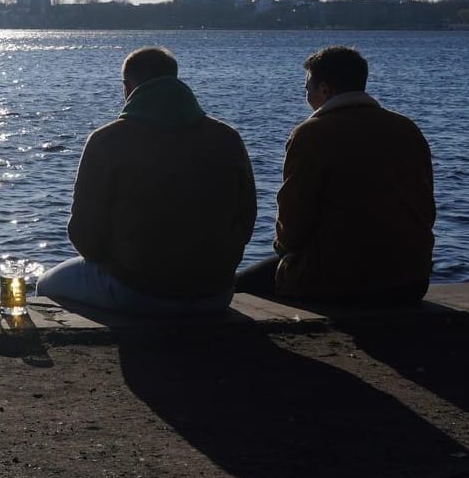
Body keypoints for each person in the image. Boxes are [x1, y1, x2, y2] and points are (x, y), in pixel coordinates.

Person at [34, 46, 256, 314]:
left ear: (127, 87)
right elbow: (246, 219)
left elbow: (84, 232)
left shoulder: (107, 140)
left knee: (45, 286)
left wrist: (117, 263)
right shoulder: (227, 137)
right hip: (215, 292)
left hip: (137, 291)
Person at [236, 45, 435, 304]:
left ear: (325, 89)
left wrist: (285, 251)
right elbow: (426, 207)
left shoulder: (311, 134)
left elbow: (293, 222)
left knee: (238, 288)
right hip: (411, 278)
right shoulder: (407, 128)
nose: (305, 95)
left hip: (339, 281)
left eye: (307, 88)